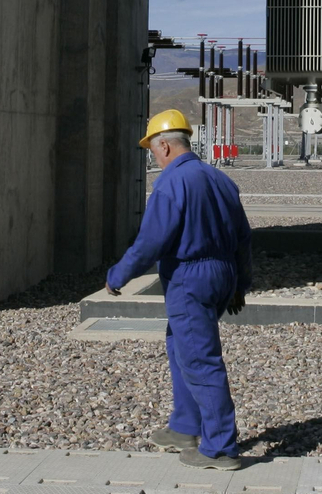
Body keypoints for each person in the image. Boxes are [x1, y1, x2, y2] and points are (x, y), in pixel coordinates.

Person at [105, 108, 253, 470]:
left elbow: (151, 241)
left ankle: (219, 447)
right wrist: (240, 283)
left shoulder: (172, 183)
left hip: (190, 278)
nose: (155, 158)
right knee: (181, 346)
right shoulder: (220, 179)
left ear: (166, 147)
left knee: (200, 359)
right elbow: (244, 238)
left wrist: (118, 275)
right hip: (222, 273)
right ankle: (186, 427)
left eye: (153, 151)